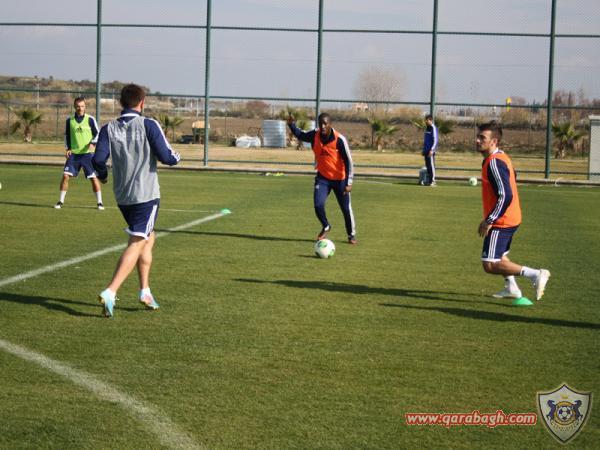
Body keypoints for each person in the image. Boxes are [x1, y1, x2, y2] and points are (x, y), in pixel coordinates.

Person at [92, 84, 180, 317]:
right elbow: (167, 157)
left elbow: (98, 159)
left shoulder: (108, 128)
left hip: (123, 196)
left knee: (148, 239)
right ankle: (111, 290)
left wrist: (103, 175)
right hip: (146, 195)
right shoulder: (149, 124)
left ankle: (145, 291)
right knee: (137, 241)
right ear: (142, 102)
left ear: (121, 102)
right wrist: (176, 157)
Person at [476, 121, 550, 300]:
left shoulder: (494, 162)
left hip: (502, 220)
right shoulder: (500, 157)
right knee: (500, 256)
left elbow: (505, 195)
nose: (477, 140)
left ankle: (536, 274)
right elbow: (513, 176)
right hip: (511, 217)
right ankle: (512, 288)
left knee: (490, 264)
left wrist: (490, 219)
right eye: (477, 137)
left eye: (482, 138)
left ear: (494, 141)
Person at [287, 112, 357, 244]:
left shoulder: (339, 140)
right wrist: (291, 125)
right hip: (323, 178)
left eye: (325, 124)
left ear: (330, 124)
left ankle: (351, 235)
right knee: (318, 204)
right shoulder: (315, 135)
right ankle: (326, 226)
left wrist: (349, 182)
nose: (323, 126)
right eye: (321, 124)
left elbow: (349, 162)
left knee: (346, 208)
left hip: (340, 180)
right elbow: (301, 134)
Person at [55, 97, 104, 209]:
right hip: (74, 154)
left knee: (93, 177)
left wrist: (93, 142)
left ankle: (100, 202)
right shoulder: (69, 120)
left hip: (88, 154)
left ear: (85, 106)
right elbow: (67, 136)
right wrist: (68, 148)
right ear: (74, 107)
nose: (80, 108)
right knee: (65, 176)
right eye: (78, 106)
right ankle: (60, 201)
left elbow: (98, 133)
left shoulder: (90, 119)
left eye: (82, 106)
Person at [421, 114, 438, 186]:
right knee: (428, 166)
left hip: (430, 151)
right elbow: (426, 140)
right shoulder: (427, 128)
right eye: (425, 120)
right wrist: (424, 150)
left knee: (431, 166)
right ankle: (429, 181)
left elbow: (435, 140)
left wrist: (432, 150)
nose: (426, 121)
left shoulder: (433, 128)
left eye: (427, 120)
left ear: (431, 120)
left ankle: (433, 181)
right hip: (426, 150)